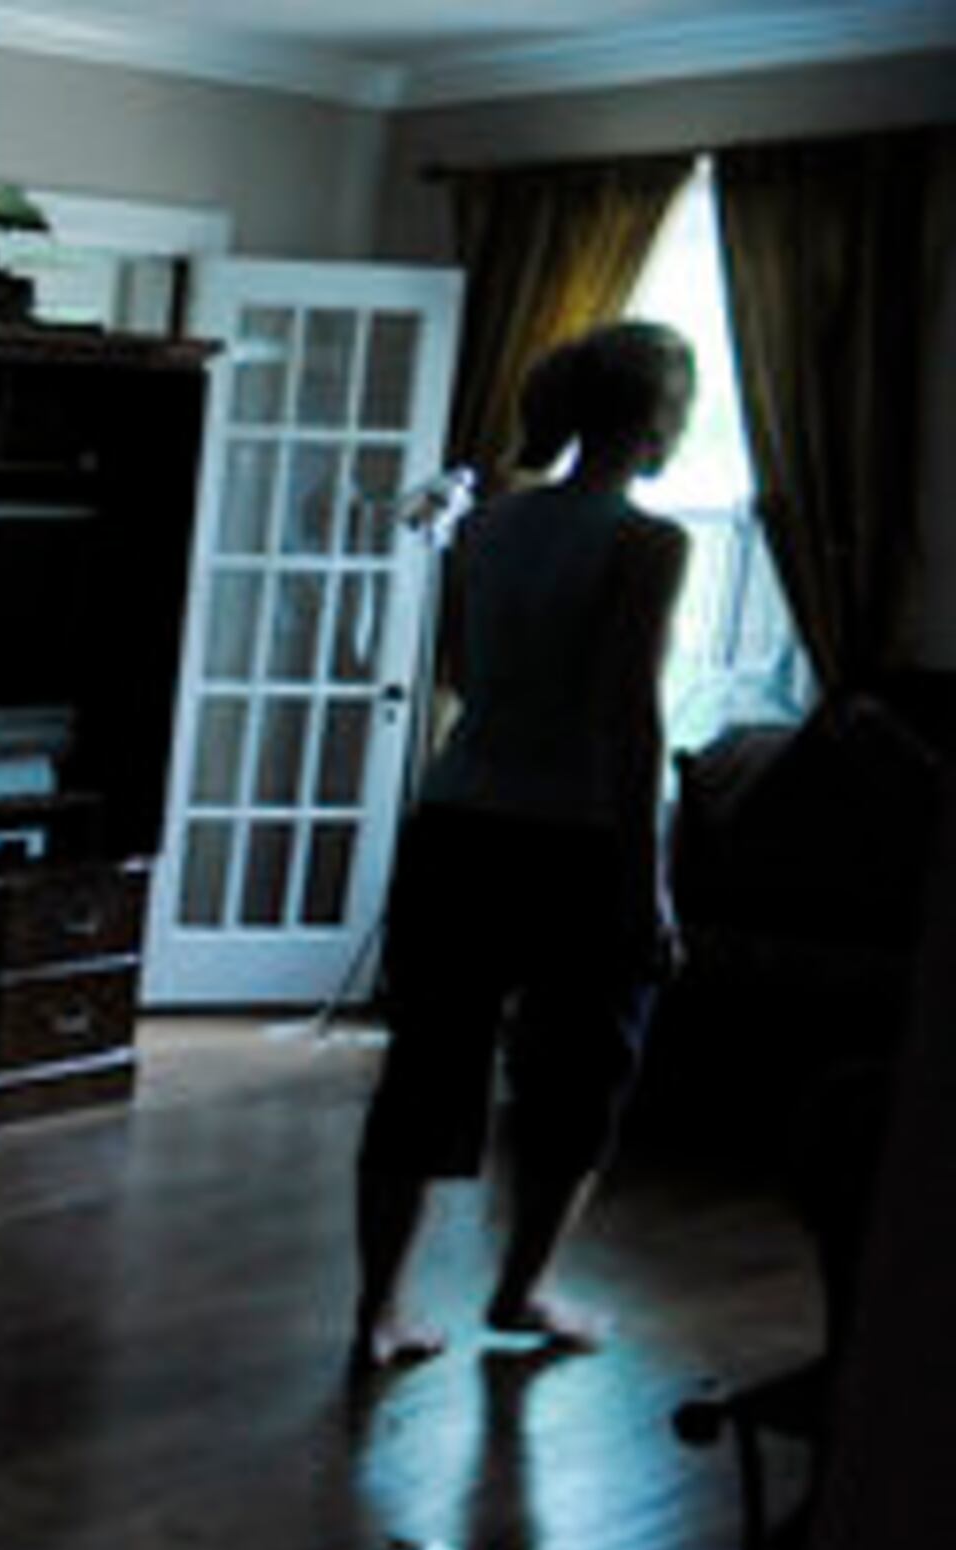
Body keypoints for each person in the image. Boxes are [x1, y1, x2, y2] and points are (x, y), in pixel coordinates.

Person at [352, 319, 696, 1366]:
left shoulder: (492, 526)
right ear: (657, 421)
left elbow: (467, 675)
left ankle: (378, 1313)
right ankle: (524, 1290)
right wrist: (653, 887)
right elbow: (629, 721)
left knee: (424, 1071)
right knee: (579, 1077)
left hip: (458, 822)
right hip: (576, 840)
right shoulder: (648, 544)